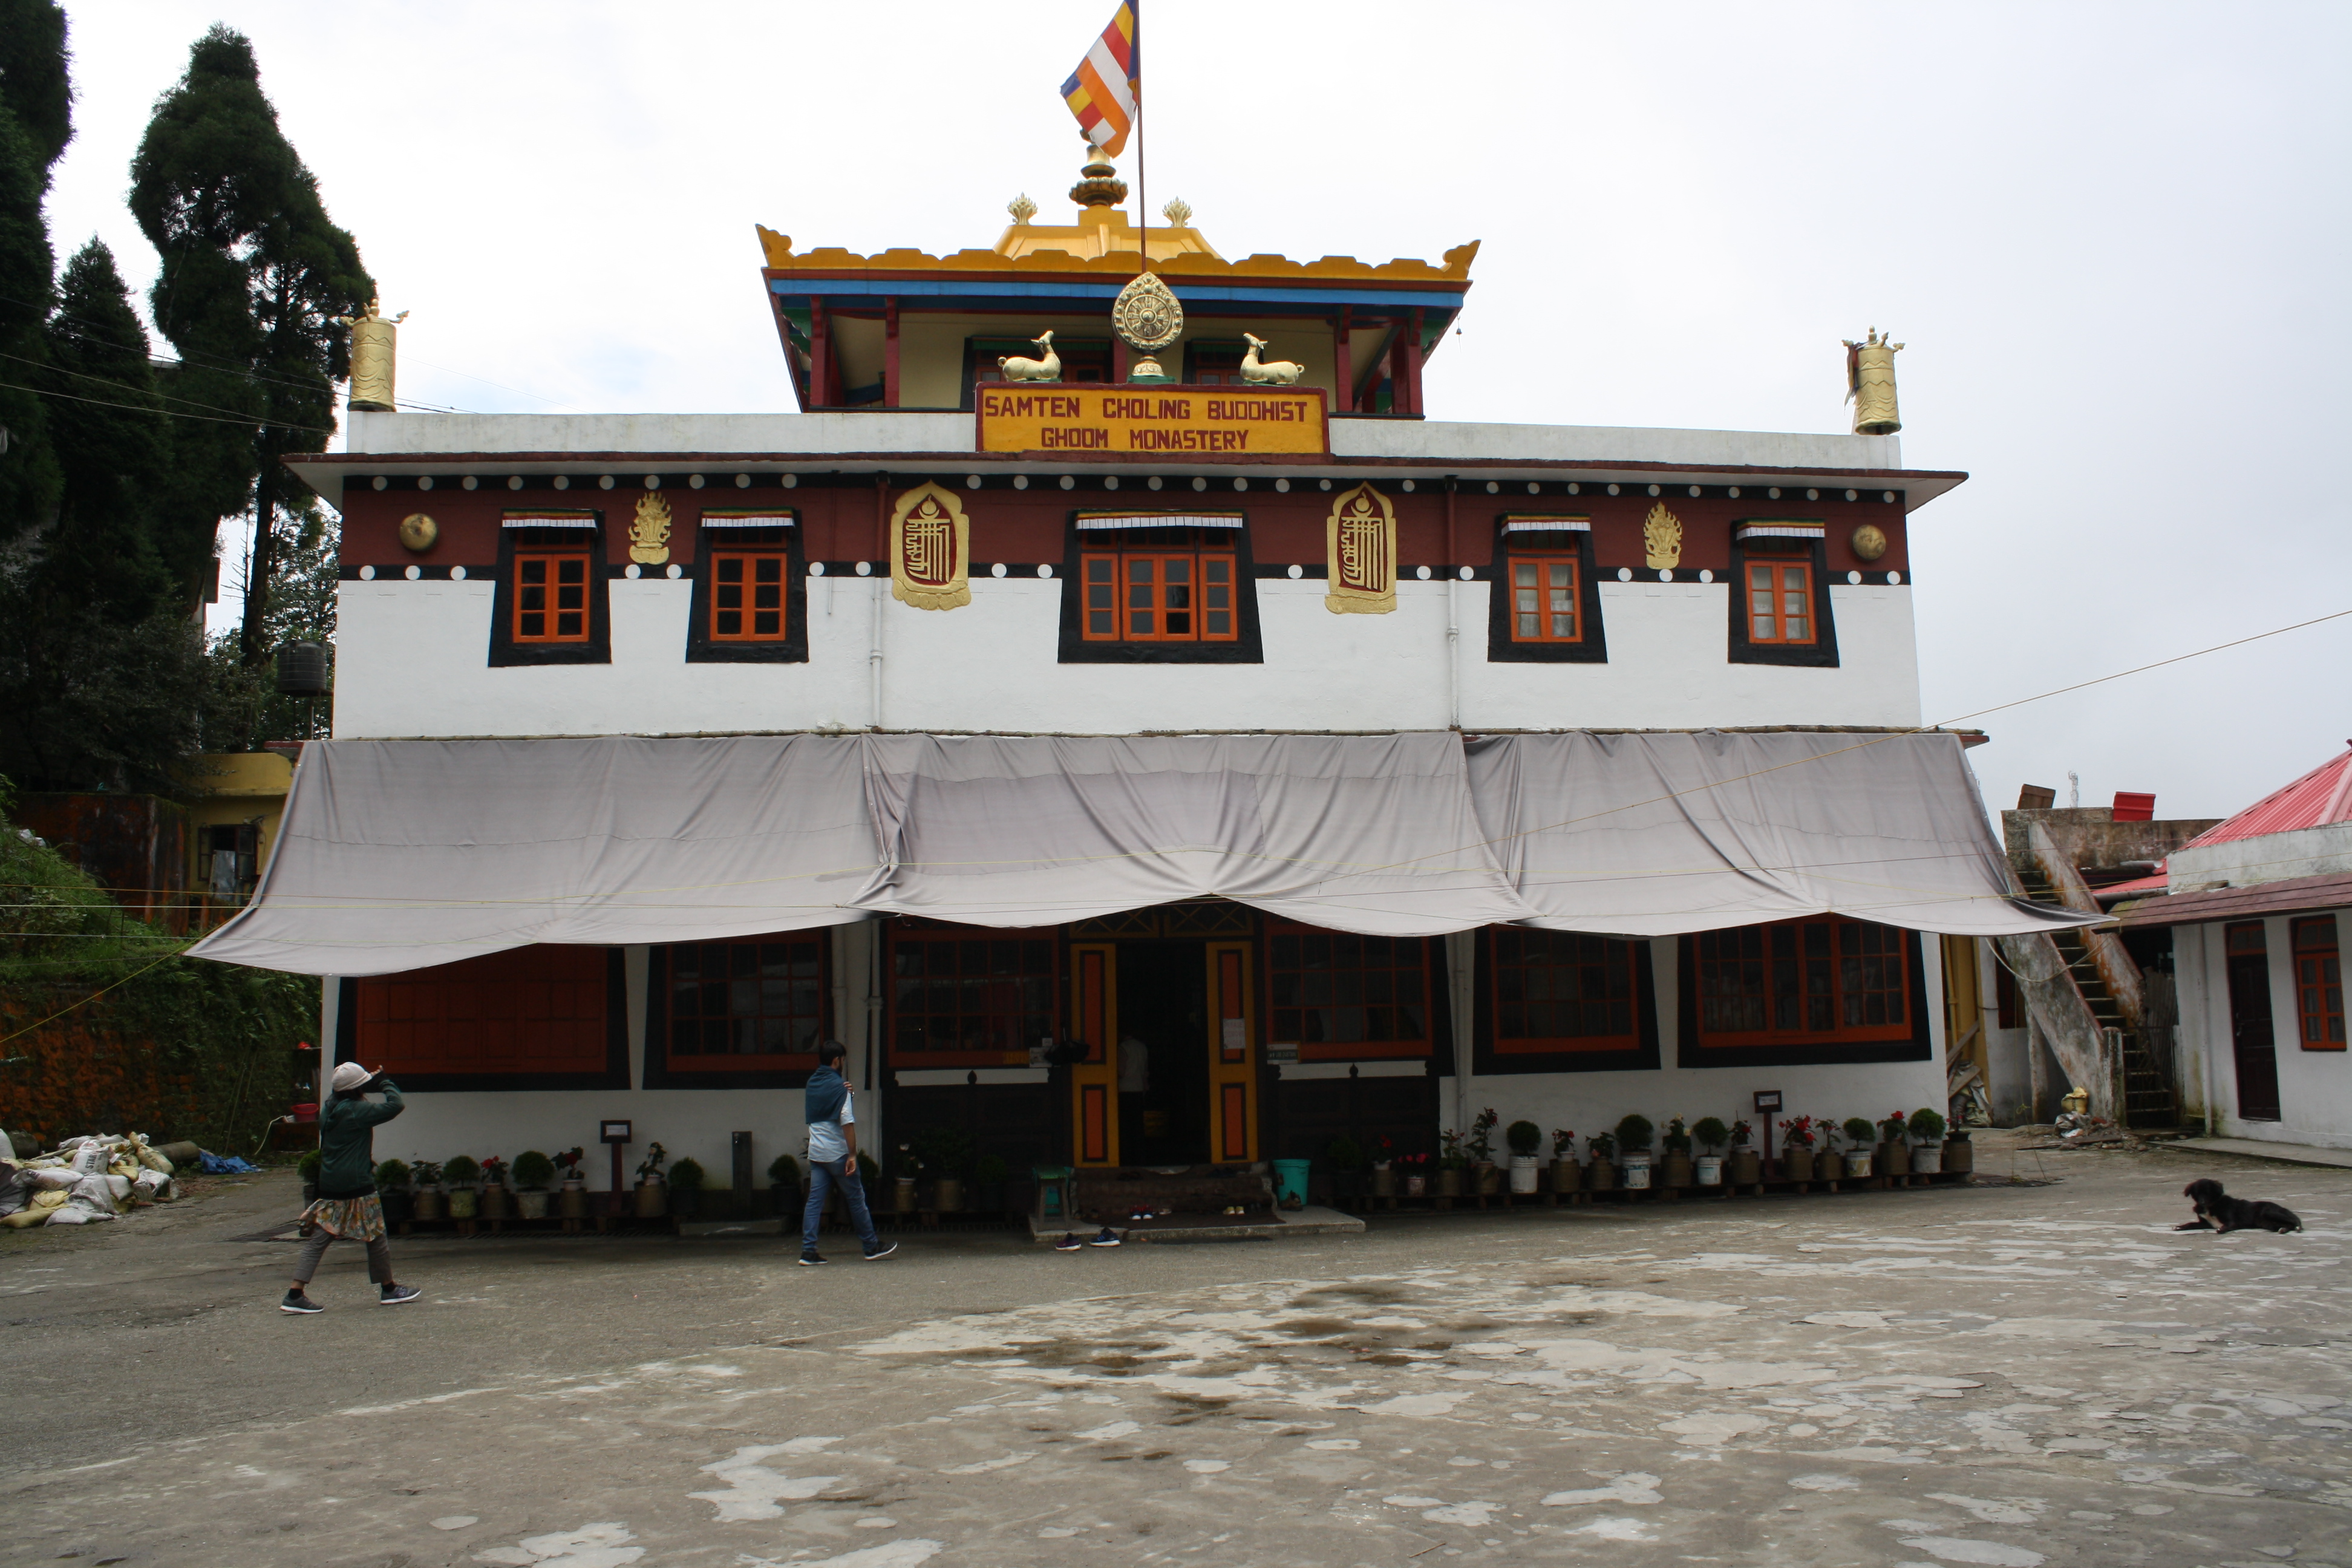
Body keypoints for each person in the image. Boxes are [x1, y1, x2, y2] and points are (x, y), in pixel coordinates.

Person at [282, 1062, 420, 1312]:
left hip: (330, 1182)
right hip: (357, 1183)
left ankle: (295, 1292)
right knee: (376, 1234)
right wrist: (384, 1081)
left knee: (320, 1238)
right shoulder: (357, 1110)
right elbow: (396, 1105)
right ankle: (389, 1289)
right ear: (357, 1088)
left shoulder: (328, 1109)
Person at [800, 1039, 896, 1266]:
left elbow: (825, 1104)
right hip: (838, 1153)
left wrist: (846, 1094)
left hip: (817, 1152)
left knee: (814, 1203)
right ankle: (871, 1246)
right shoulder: (840, 1088)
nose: (843, 1063)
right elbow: (847, 1123)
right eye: (843, 1059)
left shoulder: (812, 1083)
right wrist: (852, 1155)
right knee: (856, 1199)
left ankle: (808, 1251)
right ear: (837, 1060)